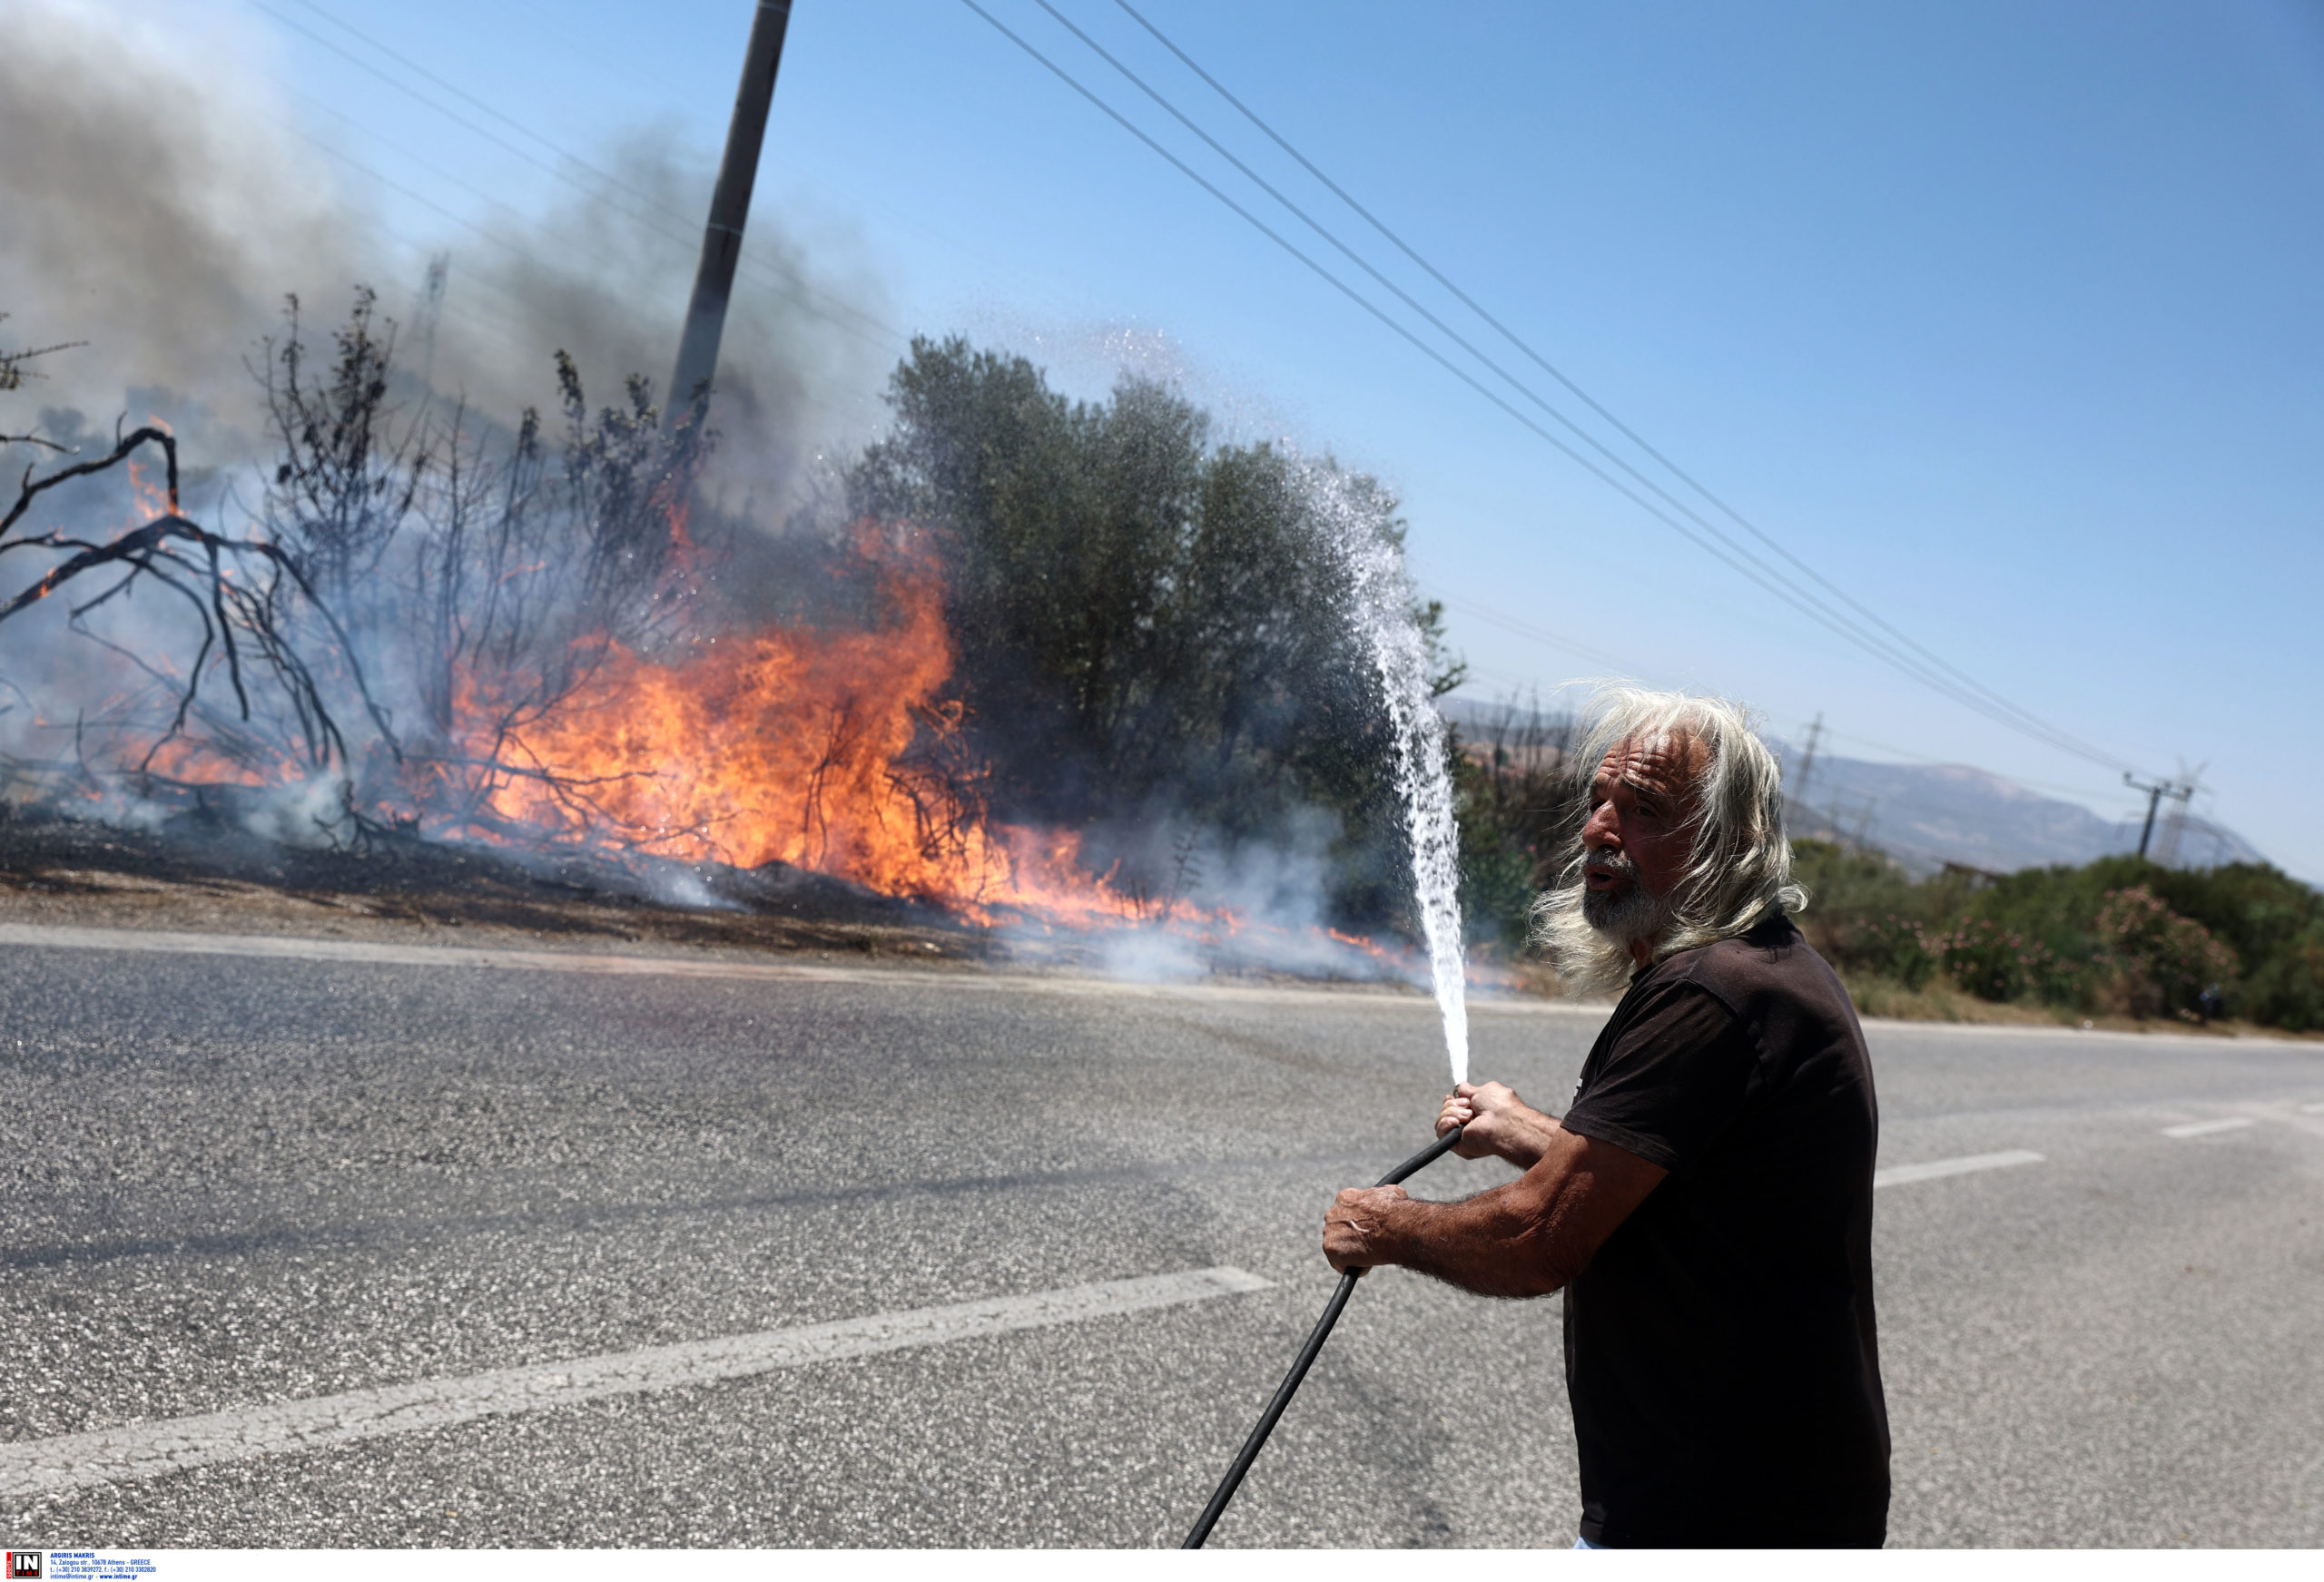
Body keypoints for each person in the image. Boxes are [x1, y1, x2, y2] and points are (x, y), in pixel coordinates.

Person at [1322, 686, 1889, 1548]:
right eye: (1598, 801)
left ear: (1731, 840)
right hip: (1773, 1495)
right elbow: (1681, 1190)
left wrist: (1386, 1226)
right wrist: (1522, 1130)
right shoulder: (1762, 967)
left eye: (1645, 808)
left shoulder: (1711, 993)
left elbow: (1542, 1233)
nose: (1600, 828)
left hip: (1722, 1516)